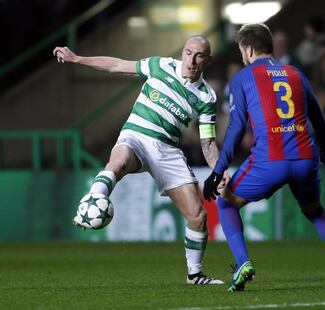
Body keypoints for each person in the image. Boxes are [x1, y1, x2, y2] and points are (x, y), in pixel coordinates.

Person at [203, 23, 325, 292]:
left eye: (241, 50)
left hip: (270, 160)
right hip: (306, 158)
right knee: (315, 211)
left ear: (249, 49)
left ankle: (243, 263)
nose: (242, 56)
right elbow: (318, 118)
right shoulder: (295, 74)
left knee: (226, 205)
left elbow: (237, 128)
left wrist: (218, 171)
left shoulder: (242, 77)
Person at [53, 35, 230, 285]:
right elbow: (116, 65)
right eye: (188, 53)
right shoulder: (160, 66)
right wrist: (77, 58)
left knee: (198, 215)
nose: (192, 60)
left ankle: (195, 274)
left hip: (167, 151)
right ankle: (92, 200)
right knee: (119, 161)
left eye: (199, 55)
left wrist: (219, 170)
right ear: (183, 52)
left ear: (208, 60)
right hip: (137, 135)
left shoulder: (206, 97)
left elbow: (208, 143)